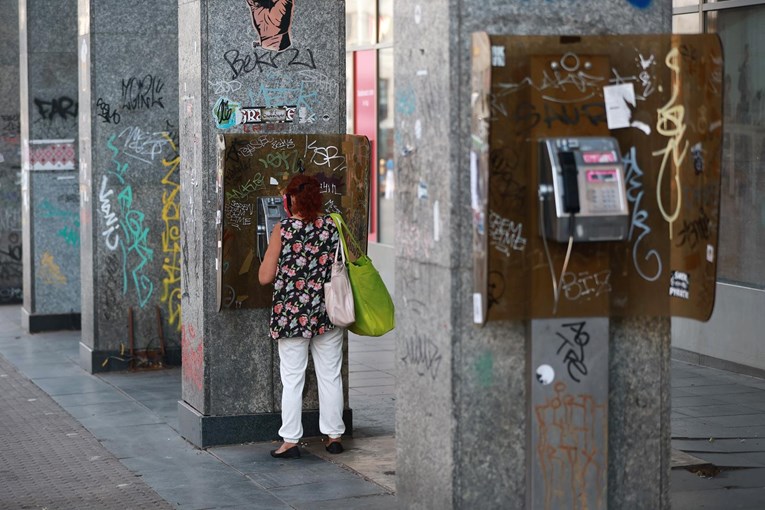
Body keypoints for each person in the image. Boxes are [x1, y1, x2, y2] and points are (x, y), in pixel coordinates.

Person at [258, 174, 345, 458]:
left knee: (293, 379)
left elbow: (264, 277)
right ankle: (333, 436)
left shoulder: (283, 229)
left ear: (290, 199)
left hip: (292, 315)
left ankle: (291, 441)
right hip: (327, 313)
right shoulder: (332, 226)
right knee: (330, 375)